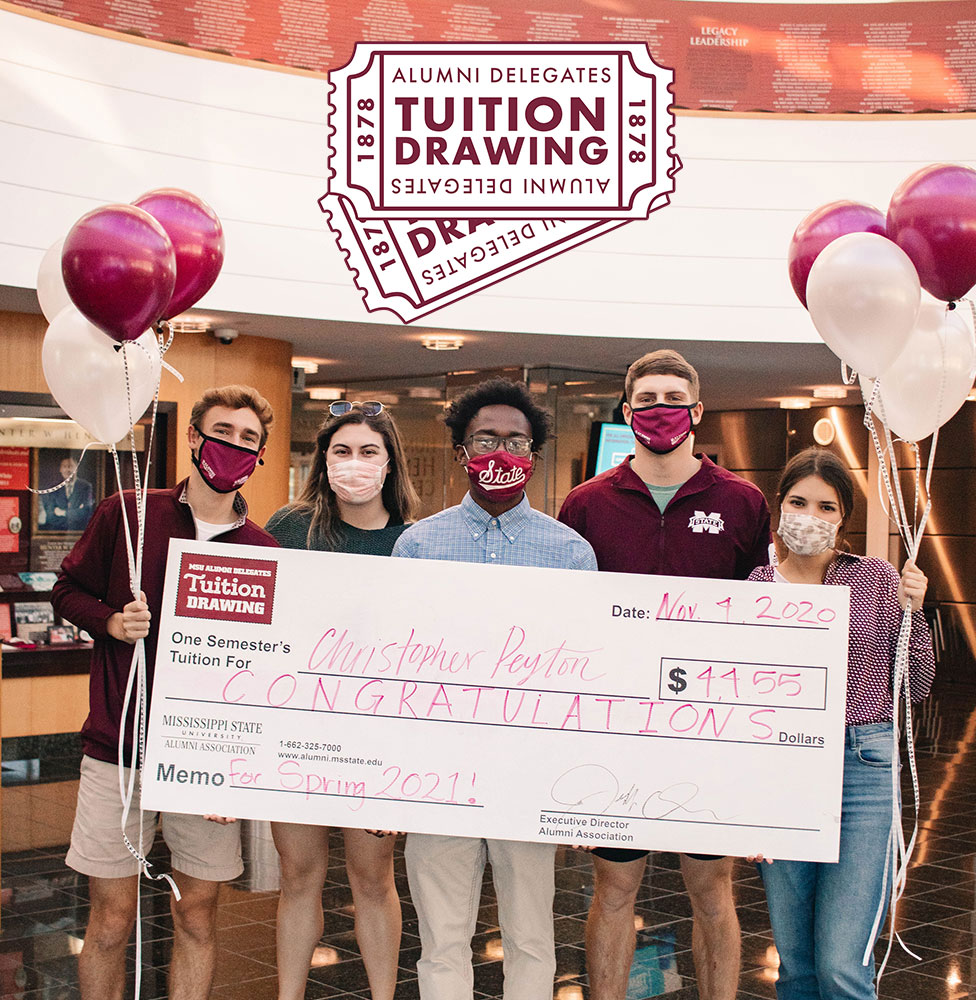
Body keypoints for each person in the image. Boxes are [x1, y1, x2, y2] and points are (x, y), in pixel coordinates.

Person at [557, 348, 771, 1000]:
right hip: (615, 731)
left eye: (672, 398)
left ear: (698, 411)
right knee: (614, 887)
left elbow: (770, 611)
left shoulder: (741, 502)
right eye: (646, 400)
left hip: (707, 730)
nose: (659, 410)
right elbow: (563, 622)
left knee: (712, 887)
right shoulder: (587, 504)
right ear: (627, 411)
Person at [52, 385, 278, 1000]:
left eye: (248, 440)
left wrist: (240, 768)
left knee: (197, 913)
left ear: (261, 454)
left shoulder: (264, 552)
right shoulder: (127, 513)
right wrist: (108, 620)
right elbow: (66, 589)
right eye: (221, 433)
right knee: (110, 918)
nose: (233, 447)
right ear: (193, 437)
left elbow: (262, 673)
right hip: (116, 750)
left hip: (205, 760)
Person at [392, 377, 597, 1000]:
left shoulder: (570, 554)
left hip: (529, 773)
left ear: (534, 454)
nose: (501, 452)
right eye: (486, 439)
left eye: (516, 440)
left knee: (532, 936)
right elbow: (395, 667)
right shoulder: (418, 547)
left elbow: (585, 673)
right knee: (441, 940)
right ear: (460, 450)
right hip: (438, 774)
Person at [747, 447, 934, 1000]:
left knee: (840, 965)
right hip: (781, 770)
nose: (810, 516)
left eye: (826, 507)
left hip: (862, 765)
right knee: (798, 967)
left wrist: (914, 615)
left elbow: (914, 687)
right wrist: (744, 806)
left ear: (842, 518)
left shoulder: (875, 579)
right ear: (780, 506)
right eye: (799, 502)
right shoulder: (755, 586)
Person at [265, 400, 420, 1000]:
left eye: (368, 452)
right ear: (322, 461)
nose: (354, 464)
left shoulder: (414, 543)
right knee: (298, 875)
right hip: (298, 727)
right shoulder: (289, 529)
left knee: (372, 877)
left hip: (377, 739)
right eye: (341, 451)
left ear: (390, 463)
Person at [41, 455, 95, 531]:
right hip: (57, 532)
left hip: (79, 532)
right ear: (60, 469)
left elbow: (86, 512)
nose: (67, 470)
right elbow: (50, 516)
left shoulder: (86, 487)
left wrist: (63, 513)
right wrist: (75, 513)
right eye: (64, 466)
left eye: (70, 466)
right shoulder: (54, 488)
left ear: (77, 468)